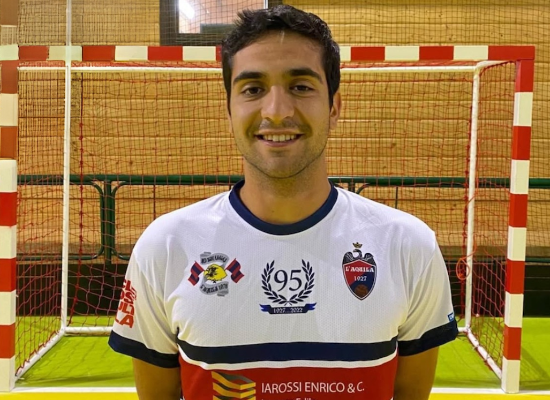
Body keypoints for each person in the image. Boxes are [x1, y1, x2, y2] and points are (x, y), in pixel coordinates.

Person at [109, 5, 458, 400]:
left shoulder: (408, 246)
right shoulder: (167, 246)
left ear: (334, 107)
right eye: (253, 89)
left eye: (301, 86)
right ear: (229, 109)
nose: (276, 112)